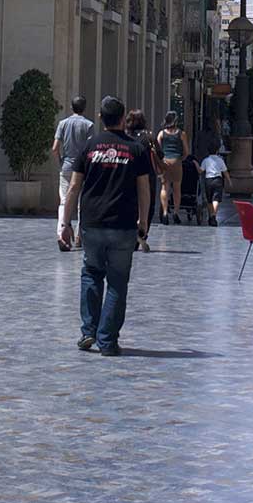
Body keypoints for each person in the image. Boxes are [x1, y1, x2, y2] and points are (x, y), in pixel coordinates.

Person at [62, 96, 152, 356]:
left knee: (91, 274)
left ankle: (88, 332)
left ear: (101, 118)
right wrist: (143, 222)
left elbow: (74, 187)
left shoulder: (90, 147)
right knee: (117, 282)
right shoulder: (135, 149)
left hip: (92, 223)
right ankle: (107, 340)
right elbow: (144, 188)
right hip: (123, 225)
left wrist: (66, 222)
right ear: (123, 119)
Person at [52, 95, 95, 252]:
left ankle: (61, 233)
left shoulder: (63, 124)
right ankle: (78, 236)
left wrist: (61, 162)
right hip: (83, 168)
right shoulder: (89, 125)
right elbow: (91, 148)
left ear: (71, 107)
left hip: (67, 166)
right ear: (84, 108)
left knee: (64, 200)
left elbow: (55, 147)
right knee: (81, 203)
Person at [123, 108, 154, 248]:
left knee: (130, 203)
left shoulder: (124, 136)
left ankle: (130, 234)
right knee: (148, 203)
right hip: (147, 174)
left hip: (128, 173)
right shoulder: (147, 136)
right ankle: (142, 233)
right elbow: (160, 154)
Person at [153, 111, 188, 223]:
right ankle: (176, 213)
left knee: (164, 188)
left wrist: (160, 161)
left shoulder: (162, 133)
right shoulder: (181, 134)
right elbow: (186, 151)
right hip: (176, 161)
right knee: (177, 188)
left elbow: (156, 149)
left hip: (165, 162)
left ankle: (164, 213)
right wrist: (181, 158)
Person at [199, 146, 228, 224]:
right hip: (218, 180)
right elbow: (225, 171)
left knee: (209, 200)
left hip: (208, 180)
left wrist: (195, 164)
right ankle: (213, 215)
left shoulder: (205, 160)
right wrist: (229, 180)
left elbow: (201, 171)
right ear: (217, 151)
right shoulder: (220, 160)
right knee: (216, 199)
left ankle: (210, 216)